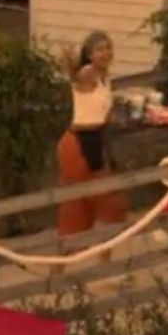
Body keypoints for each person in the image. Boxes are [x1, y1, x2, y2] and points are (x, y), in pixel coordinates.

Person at [55, 31, 129, 238]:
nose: (105, 53)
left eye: (107, 48)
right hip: (77, 144)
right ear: (89, 55)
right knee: (75, 211)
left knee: (111, 205)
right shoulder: (89, 74)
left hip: (97, 140)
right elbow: (78, 75)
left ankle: (104, 259)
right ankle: (60, 266)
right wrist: (73, 64)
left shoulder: (105, 79)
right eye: (99, 49)